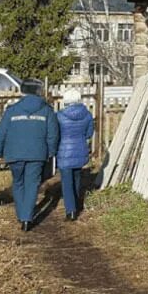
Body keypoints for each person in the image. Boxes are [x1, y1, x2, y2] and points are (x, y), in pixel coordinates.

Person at [0, 78, 58, 231]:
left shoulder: (12, 110)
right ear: (38, 92)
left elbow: (1, 132)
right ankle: (27, 218)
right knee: (32, 184)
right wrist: (51, 151)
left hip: (14, 153)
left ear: (22, 91)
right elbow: (53, 134)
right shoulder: (47, 110)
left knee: (18, 182)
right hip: (37, 153)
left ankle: (21, 213)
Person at [56, 89, 93, 221]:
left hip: (64, 151)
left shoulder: (59, 116)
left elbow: (56, 135)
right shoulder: (87, 115)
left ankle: (70, 211)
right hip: (80, 149)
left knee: (66, 182)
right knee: (77, 178)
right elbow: (89, 134)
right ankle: (77, 205)